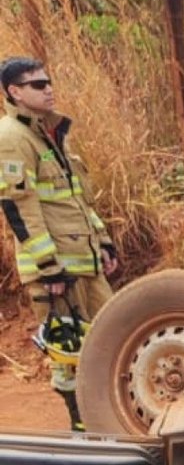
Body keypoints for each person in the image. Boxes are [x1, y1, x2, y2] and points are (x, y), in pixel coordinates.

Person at [0, 56, 118, 428]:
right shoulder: (11, 138)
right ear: (14, 92)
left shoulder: (50, 133)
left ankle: (111, 421)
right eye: (37, 84)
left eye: (48, 81)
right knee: (69, 352)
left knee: (114, 337)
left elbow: (75, 198)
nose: (48, 88)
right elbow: (19, 207)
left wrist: (103, 241)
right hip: (55, 271)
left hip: (86, 263)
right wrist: (47, 266)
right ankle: (82, 430)